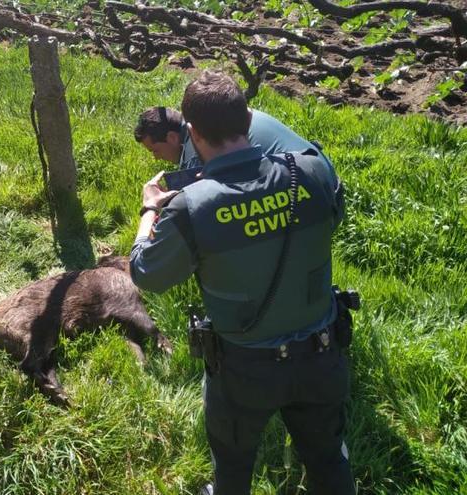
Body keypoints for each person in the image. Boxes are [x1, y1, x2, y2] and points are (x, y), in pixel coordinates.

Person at [130, 71, 354, 495]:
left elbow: (144, 272)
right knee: (329, 459)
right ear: (249, 121)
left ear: (191, 133)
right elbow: (332, 220)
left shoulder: (190, 208)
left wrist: (149, 212)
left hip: (242, 370)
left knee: (232, 469)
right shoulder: (311, 170)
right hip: (323, 355)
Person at [133, 105, 332, 172]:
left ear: (172, 137)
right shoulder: (214, 115)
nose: (156, 159)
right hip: (320, 173)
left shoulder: (198, 147)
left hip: (313, 199)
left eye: (155, 150)